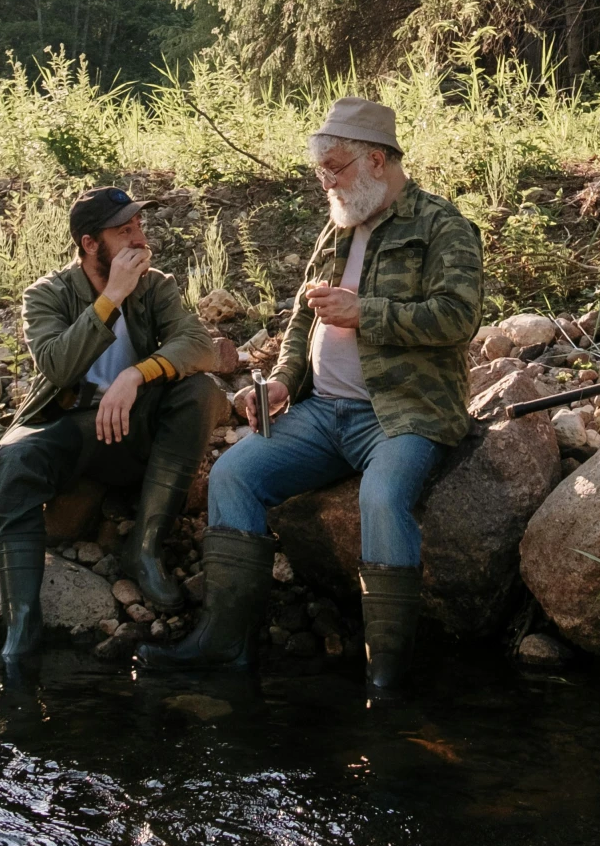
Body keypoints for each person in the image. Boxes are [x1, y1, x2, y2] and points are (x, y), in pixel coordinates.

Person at [146, 97, 483, 693]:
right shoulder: (339, 226)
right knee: (234, 474)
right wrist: (282, 382)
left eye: (336, 168)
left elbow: (458, 318)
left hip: (402, 415)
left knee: (381, 498)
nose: (325, 181)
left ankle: (387, 677)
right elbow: (305, 321)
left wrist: (366, 313)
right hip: (324, 412)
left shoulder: (443, 226)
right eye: (321, 169)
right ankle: (226, 647)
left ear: (377, 160)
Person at [0, 187, 226, 668]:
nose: (140, 238)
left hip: (134, 430)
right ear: (90, 244)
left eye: (139, 226)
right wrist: (111, 296)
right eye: (125, 231)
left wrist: (137, 374)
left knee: (201, 391)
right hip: (75, 425)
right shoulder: (47, 294)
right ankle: (22, 624)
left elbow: (199, 346)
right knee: (14, 458)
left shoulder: (156, 285)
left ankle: (145, 549)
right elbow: (56, 367)